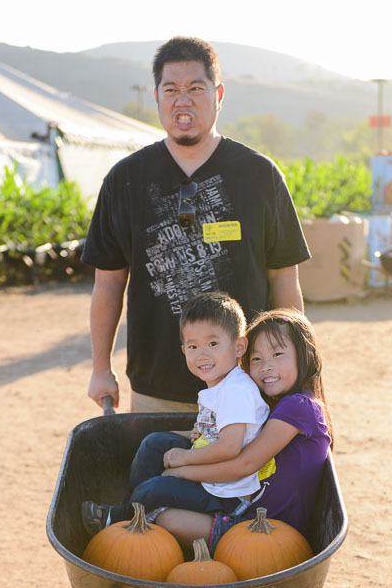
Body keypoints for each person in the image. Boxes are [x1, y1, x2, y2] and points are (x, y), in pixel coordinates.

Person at [81, 35, 312, 414]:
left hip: (248, 386)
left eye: (195, 88)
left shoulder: (259, 175)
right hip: (156, 390)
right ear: (156, 96)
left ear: (218, 94)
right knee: (159, 472)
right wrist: (100, 368)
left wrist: (298, 365)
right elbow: (108, 284)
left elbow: (285, 279)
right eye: (170, 88)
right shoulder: (125, 180)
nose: (182, 99)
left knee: (241, 474)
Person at [81, 292, 269, 533]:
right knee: (155, 443)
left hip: (227, 493)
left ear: (239, 346)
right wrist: (190, 437)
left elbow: (229, 447)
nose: (202, 354)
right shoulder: (220, 385)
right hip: (212, 474)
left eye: (213, 344)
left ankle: (120, 520)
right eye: (193, 346)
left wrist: (183, 458)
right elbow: (212, 433)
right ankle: (130, 507)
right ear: (184, 351)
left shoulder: (236, 390)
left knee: (155, 489)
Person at [155, 307, 333, 553]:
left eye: (277, 354)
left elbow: (244, 465)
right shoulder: (276, 405)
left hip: (267, 533)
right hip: (247, 514)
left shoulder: (298, 406)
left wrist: (181, 471)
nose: (265, 367)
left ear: (306, 356)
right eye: (256, 358)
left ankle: (123, 519)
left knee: (167, 518)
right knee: (158, 448)